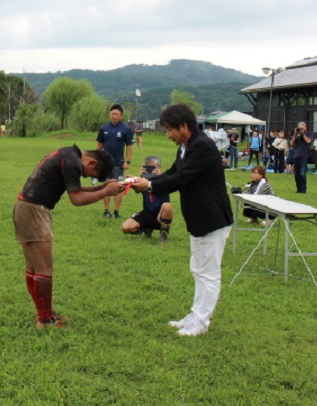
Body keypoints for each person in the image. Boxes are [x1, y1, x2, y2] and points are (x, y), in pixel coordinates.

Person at [132, 103, 233, 337]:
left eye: (170, 130)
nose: (168, 135)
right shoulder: (186, 147)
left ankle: (201, 322)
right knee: (198, 268)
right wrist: (145, 180)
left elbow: (182, 178)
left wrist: (149, 186)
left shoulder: (202, 146)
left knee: (208, 272)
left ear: (184, 126)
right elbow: (173, 172)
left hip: (212, 218)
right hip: (199, 218)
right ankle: (195, 315)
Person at [14, 145, 124, 328]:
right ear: (91, 162)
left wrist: (103, 186)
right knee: (43, 268)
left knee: (34, 268)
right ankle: (45, 320)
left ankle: (44, 314)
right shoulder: (73, 162)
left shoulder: (68, 154)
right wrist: (105, 192)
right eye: (90, 174)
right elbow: (77, 199)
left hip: (25, 207)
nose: (85, 176)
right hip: (34, 210)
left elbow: (74, 188)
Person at [121, 155, 173, 242]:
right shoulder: (143, 181)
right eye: (148, 167)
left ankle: (164, 234)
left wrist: (160, 176)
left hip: (161, 214)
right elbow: (137, 190)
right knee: (126, 227)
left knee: (167, 206)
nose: (151, 170)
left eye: (153, 167)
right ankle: (146, 228)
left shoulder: (165, 180)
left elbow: (171, 186)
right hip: (147, 212)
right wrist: (140, 177)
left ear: (159, 167)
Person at [96, 104, 134, 219]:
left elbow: (129, 146)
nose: (114, 116)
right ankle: (106, 211)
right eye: (112, 114)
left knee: (119, 187)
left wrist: (127, 161)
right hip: (105, 164)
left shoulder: (126, 129)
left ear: (121, 116)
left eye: (117, 114)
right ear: (109, 115)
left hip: (119, 164)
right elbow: (99, 145)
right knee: (106, 186)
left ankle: (116, 211)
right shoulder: (104, 129)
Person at [291, 122, 314, 193]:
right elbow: (292, 144)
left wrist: (303, 134)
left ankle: (303, 190)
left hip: (304, 155)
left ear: (305, 128)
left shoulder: (309, 133)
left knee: (302, 173)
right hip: (296, 155)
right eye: (300, 128)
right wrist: (295, 134)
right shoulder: (296, 135)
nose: (301, 130)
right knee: (296, 174)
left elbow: (309, 141)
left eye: (302, 128)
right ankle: (298, 189)